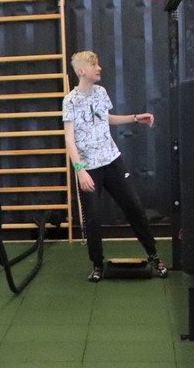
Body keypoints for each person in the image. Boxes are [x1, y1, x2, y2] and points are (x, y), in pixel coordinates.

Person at [62, 50, 168, 282]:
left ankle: (154, 256)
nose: (99, 68)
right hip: (88, 167)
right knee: (92, 217)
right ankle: (97, 265)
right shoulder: (70, 100)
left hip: (112, 160)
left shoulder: (101, 92)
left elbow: (105, 118)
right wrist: (80, 170)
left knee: (134, 207)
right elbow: (69, 138)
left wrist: (134, 118)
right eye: (94, 65)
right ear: (82, 71)